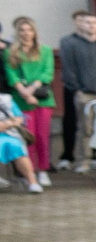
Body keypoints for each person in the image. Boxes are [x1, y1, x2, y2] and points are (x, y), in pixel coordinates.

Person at [56, 11, 96, 173]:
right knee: (85, 128)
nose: (91, 26)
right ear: (81, 25)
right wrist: (76, 89)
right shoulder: (71, 44)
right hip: (84, 92)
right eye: (87, 23)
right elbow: (69, 69)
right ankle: (85, 161)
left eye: (94, 23)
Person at [8, 17, 56, 184]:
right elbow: (11, 75)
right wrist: (24, 92)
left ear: (34, 32)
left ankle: (43, 169)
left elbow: (47, 72)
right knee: (29, 136)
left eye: (29, 30)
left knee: (43, 136)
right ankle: (31, 171)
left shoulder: (46, 50)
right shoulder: (11, 52)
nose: (26, 33)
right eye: (22, 30)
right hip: (22, 100)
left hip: (42, 99)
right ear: (17, 32)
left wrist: (32, 89)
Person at [0, 92, 42, 192]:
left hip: (10, 134)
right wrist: (10, 123)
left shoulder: (6, 99)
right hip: (7, 131)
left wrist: (6, 124)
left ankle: (32, 182)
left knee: (16, 146)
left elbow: (19, 118)